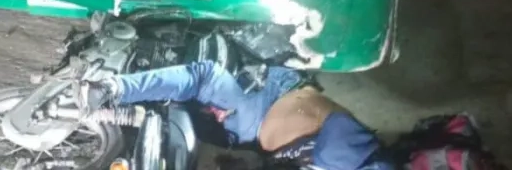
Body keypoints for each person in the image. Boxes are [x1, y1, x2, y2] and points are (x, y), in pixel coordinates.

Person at [79, 60, 393, 170]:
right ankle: (112, 88)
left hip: (256, 128)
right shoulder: (354, 153)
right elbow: (340, 134)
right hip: (272, 99)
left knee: (184, 109)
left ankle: (112, 98)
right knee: (204, 76)